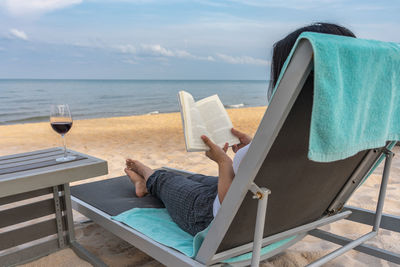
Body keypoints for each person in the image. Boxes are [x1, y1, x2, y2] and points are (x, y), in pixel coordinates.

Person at [125, 22, 356, 236]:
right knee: (194, 178)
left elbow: (228, 207)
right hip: (283, 214)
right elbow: (289, 172)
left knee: (166, 179)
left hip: (216, 220)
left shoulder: (289, 131)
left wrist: (224, 162)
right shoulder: (350, 133)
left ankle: (145, 180)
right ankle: (156, 180)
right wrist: (253, 148)